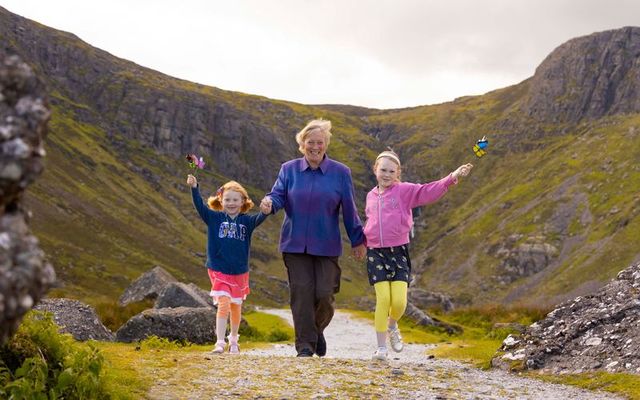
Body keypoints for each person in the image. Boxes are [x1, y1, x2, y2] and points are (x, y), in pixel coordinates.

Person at [261, 119, 366, 357]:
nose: (315, 147)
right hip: (294, 243)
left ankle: (317, 331)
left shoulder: (341, 173)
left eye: (320, 142)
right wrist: (270, 203)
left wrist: (358, 240)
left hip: (327, 245)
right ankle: (305, 346)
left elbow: (350, 209)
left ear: (326, 144)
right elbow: (277, 195)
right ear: (302, 144)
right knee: (301, 294)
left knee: (324, 295)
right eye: (310, 142)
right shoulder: (288, 169)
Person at [364, 150, 472, 360]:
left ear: (398, 173)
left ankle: (392, 326)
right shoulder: (370, 196)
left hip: (399, 252)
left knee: (399, 303)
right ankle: (381, 348)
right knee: (383, 299)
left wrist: (452, 177)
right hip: (375, 253)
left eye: (391, 171)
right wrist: (362, 243)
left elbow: (427, 191)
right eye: (383, 170)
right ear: (375, 170)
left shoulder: (404, 190)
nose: (386, 174)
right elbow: (369, 222)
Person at [188, 174, 271, 354]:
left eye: (235, 200)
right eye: (227, 199)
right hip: (218, 269)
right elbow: (199, 206)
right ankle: (219, 342)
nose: (231, 203)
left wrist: (265, 211)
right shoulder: (213, 218)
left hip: (240, 271)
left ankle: (233, 340)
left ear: (243, 201)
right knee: (224, 303)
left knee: (236, 306)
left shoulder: (246, 221)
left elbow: (260, 218)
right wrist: (194, 187)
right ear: (221, 200)